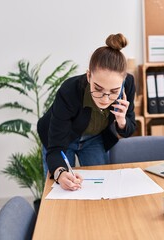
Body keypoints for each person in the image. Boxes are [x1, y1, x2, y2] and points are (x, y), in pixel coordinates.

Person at [37, 33, 136, 191]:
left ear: (123, 81)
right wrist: (60, 173)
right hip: (62, 138)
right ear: (89, 75)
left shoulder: (128, 85)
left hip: (94, 139)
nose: (105, 98)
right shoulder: (69, 91)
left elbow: (129, 128)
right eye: (98, 88)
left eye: (113, 91)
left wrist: (122, 120)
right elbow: (55, 149)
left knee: (100, 188)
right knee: (62, 188)